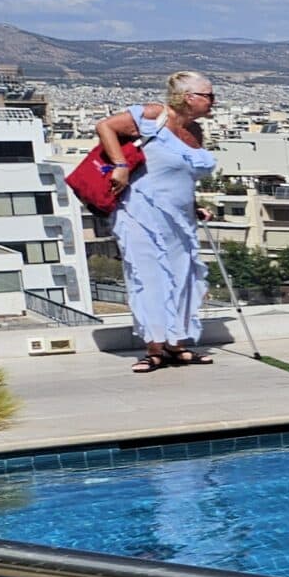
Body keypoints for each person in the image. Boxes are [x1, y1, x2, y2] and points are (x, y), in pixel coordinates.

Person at [94, 72, 220, 372]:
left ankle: (177, 344)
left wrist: (194, 206)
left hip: (180, 218)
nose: (213, 101)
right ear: (189, 97)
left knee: (181, 278)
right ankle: (154, 348)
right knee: (149, 278)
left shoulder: (195, 133)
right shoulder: (153, 115)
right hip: (140, 214)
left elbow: (179, 177)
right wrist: (121, 166)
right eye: (209, 95)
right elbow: (105, 126)